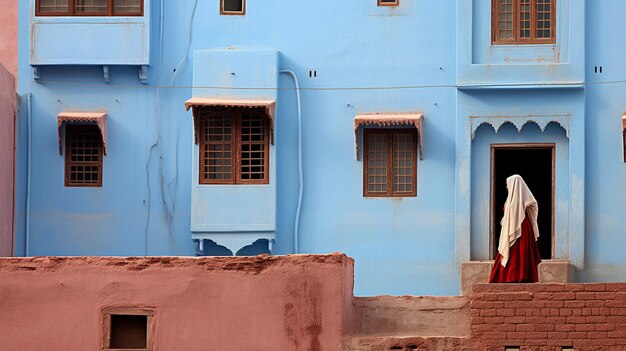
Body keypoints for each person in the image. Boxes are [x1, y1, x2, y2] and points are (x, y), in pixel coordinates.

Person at [489, 174, 542, 283]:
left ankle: (520, 277)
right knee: (511, 251)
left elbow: (533, 204)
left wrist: (531, 220)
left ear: (514, 185)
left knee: (520, 252)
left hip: (521, 228)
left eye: (508, 184)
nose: (506, 187)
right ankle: (509, 277)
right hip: (512, 229)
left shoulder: (522, 199)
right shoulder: (510, 199)